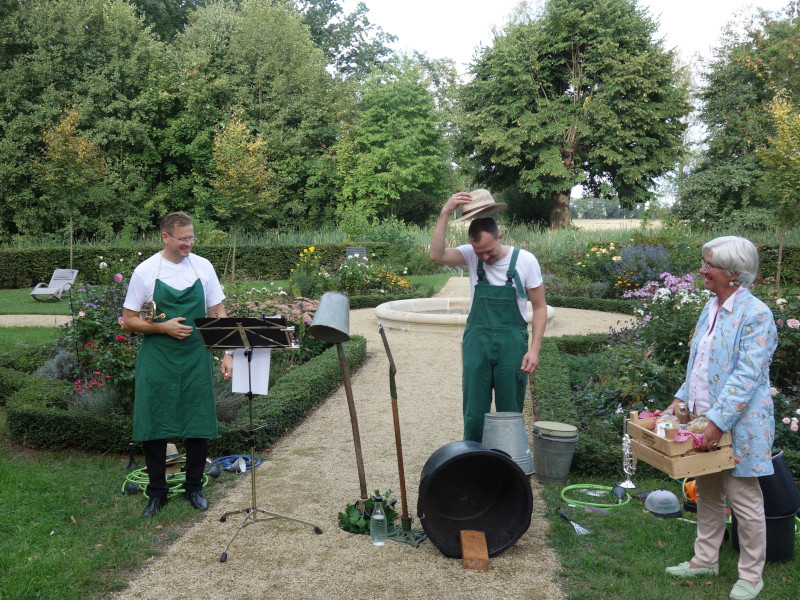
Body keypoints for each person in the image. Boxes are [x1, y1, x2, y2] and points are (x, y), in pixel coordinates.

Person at [663, 236, 777, 600]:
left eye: (708, 265)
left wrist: (716, 422)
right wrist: (680, 399)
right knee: (708, 493)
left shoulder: (756, 314)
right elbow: (698, 364)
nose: (701, 270)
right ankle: (704, 560)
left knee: (744, 500)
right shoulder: (711, 307)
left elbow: (747, 377)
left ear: (733, 273)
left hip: (740, 425)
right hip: (704, 421)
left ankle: (751, 575)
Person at [122, 212, 233, 517]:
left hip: (195, 356)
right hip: (158, 358)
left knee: (197, 421)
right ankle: (157, 493)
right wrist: (162, 327)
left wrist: (228, 352)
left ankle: (194, 487)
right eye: (183, 239)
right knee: (154, 424)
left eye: (191, 238)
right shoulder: (146, 271)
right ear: (165, 237)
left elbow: (218, 313)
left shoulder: (203, 267)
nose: (189, 244)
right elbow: (128, 320)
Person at [430, 190, 547, 442]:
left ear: (500, 238)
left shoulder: (525, 261)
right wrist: (445, 212)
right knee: (474, 411)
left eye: (489, 252)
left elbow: (539, 307)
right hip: (477, 342)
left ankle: (508, 459)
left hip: (511, 344)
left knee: (510, 411)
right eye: (478, 252)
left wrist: (535, 349)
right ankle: (473, 457)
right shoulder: (470, 256)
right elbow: (436, 255)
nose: (484, 258)